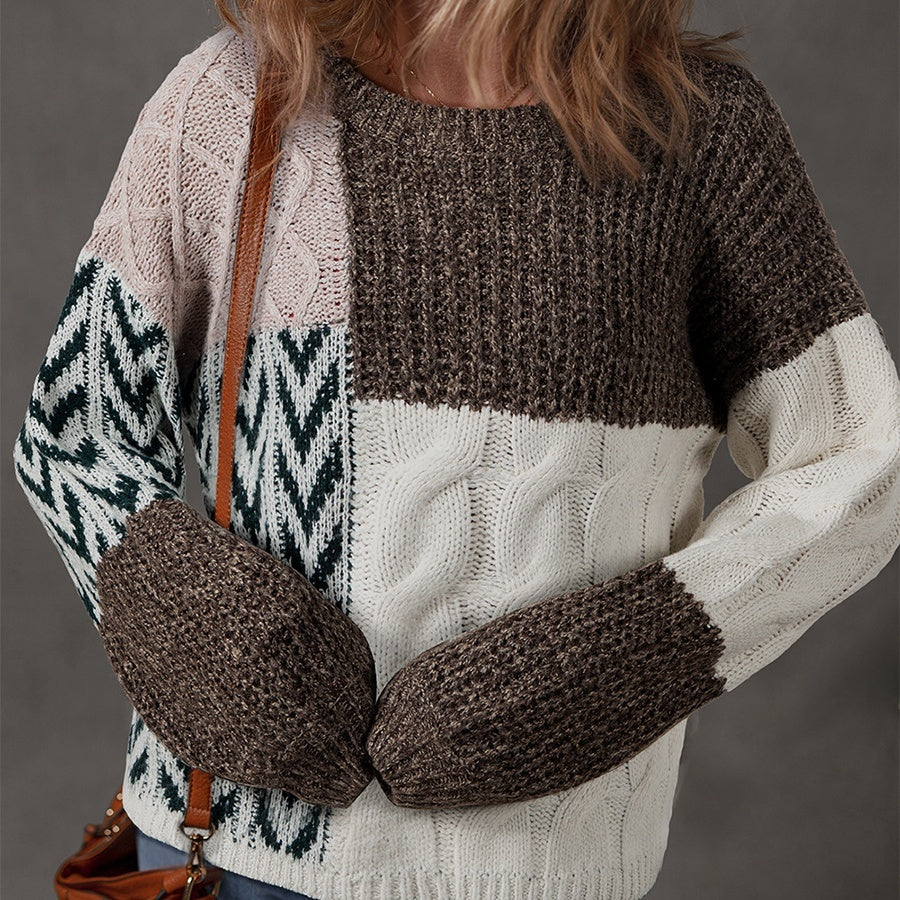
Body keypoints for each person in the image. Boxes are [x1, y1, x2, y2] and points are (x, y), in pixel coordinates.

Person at [12, 0, 900, 898]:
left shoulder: (697, 131)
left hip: (547, 867)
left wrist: (628, 658)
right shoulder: (236, 99)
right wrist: (201, 624)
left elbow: (862, 458)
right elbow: (76, 433)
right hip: (230, 853)